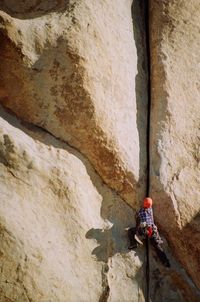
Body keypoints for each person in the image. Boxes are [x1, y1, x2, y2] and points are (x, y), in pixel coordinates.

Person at [128, 197, 170, 268]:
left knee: (131, 231)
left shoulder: (141, 212)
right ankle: (166, 262)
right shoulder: (150, 210)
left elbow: (138, 221)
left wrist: (137, 229)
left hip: (145, 232)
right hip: (153, 232)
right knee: (157, 247)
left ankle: (133, 244)